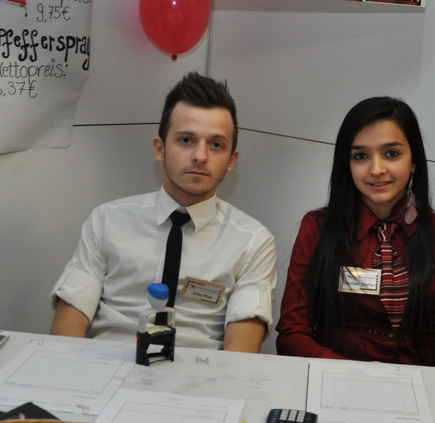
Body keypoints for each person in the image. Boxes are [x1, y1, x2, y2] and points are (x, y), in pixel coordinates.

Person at [50, 72, 277, 352]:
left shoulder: (253, 242)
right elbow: (66, 329)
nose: (200, 156)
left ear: (232, 160)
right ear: (160, 148)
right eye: (186, 140)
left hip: (200, 374)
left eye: (216, 144)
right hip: (107, 365)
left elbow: (240, 353)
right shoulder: (106, 221)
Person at [276, 97, 435, 367]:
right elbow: (292, 334)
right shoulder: (317, 228)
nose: (377, 170)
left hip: (418, 386)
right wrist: (354, 373)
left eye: (392, 154)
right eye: (361, 156)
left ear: (414, 161)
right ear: (347, 164)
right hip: (334, 380)